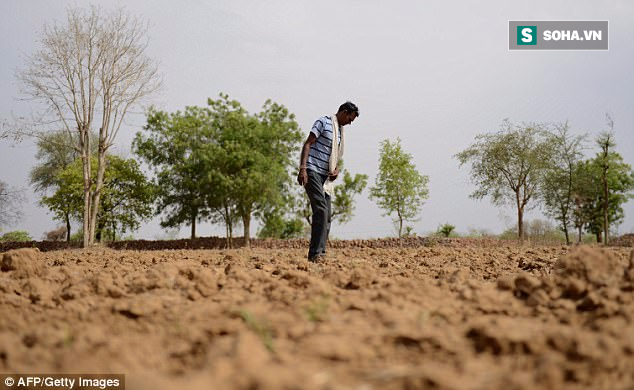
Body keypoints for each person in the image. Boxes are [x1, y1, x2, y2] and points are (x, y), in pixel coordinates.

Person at [297, 101, 359, 262]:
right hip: (312, 171)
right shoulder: (323, 122)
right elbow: (308, 143)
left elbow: (333, 155)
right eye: (350, 119)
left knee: (327, 215)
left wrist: (335, 169)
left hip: (325, 178)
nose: (350, 123)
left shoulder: (339, 131)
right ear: (344, 112)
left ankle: (321, 253)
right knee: (321, 211)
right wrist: (303, 168)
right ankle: (315, 254)